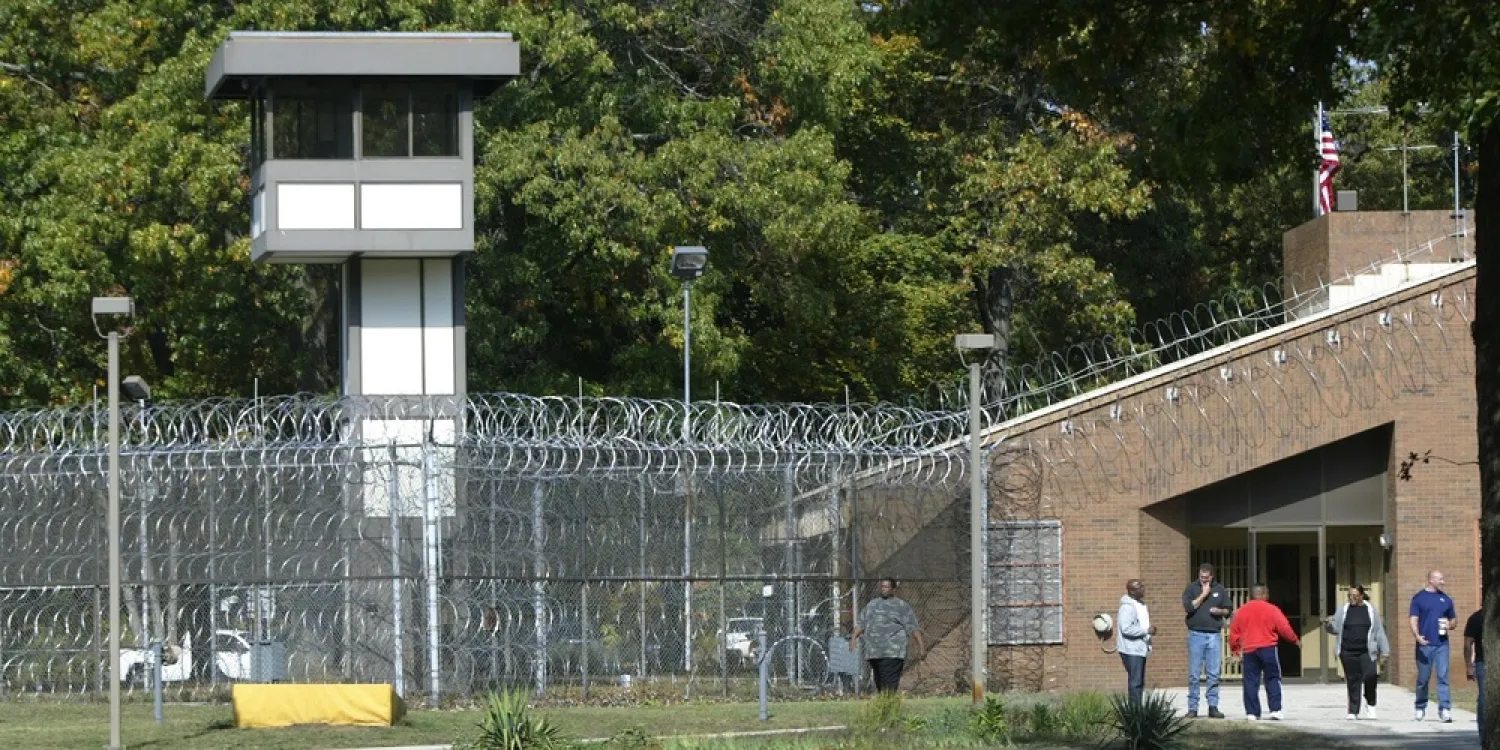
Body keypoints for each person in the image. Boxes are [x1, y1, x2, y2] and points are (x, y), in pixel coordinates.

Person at [1229, 583, 1298, 721]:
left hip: (1249, 649)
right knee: (1272, 678)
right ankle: (1275, 709)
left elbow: (1234, 633)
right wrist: (1294, 640)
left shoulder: (1241, 611)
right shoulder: (1272, 609)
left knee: (1250, 681)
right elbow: (1284, 627)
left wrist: (1235, 650)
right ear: (1263, 594)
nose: (1268, 596)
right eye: (1267, 593)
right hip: (1268, 648)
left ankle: (1252, 712)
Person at [1323, 584, 1390, 720]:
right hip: (1348, 651)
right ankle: (1353, 711)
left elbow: (1379, 631)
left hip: (1367, 651)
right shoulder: (1343, 610)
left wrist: (1385, 651)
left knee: (1370, 676)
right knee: (1353, 680)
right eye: (1349, 595)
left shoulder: (1371, 610)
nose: (1351, 598)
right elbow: (1335, 629)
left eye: (1355, 595)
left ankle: (1370, 704)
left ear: (1361, 595)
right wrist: (1328, 625)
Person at [849, 578, 925, 693]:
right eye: (882, 586)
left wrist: (921, 648)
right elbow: (861, 624)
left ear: (893, 589)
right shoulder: (872, 605)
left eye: (887, 587)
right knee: (880, 683)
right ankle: (885, 705)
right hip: (875, 653)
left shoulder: (901, 606)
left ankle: (889, 706)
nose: (884, 589)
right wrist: (853, 638)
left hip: (893, 652)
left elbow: (914, 628)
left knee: (888, 685)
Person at [1181, 562, 1231, 718]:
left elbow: (1228, 610)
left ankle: (1213, 706)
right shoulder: (1191, 588)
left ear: (1212, 576)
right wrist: (1203, 594)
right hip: (1196, 635)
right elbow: (1189, 607)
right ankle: (1193, 708)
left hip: (1213, 635)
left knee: (1214, 673)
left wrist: (1220, 611)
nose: (1203, 580)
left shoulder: (1220, 589)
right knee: (1194, 674)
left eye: (1206, 577)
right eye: (1201, 577)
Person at [1408, 569, 1458, 722]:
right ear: (1431, 580)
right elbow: (1413, 619)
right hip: (1424, 644)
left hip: (1442, 644)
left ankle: (1445, 710)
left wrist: (1450, 625)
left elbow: (1454, 620)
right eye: (1440, 579)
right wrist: (1417, 636)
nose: (1443, 581)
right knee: (1423, 679)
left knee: (1443, 677)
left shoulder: (1446, 599)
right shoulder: (1419, 598)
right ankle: (1420, 707)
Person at [1117, 578, 1155, 704]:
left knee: (1139, 681)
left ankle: (1137, 709)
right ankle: (1134, 711)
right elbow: (1126, 628)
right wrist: (1146, 631)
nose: (1143, 589)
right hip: (1131, 649)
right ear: (1132, 591)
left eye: (1143, 586)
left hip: (1140, 648)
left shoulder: (1141, 604)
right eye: (1139, 587)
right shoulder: (1127, 607)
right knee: (1135, 682)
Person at [1465, 606, 1484, 732]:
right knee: (1484, 697)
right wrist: (1469, 667)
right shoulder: (1477, 618)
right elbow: (1468, 643)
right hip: (1483, 662)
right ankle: (1484, 736)